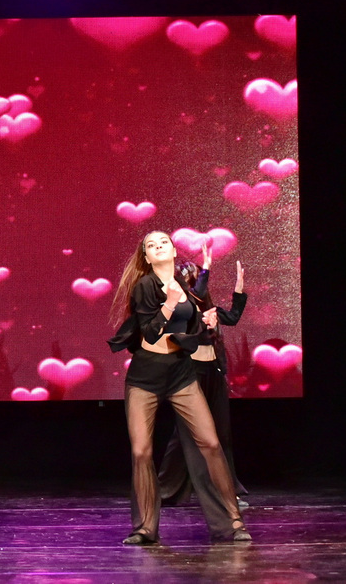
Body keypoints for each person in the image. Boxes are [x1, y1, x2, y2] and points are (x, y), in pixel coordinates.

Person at [107, 231, 251, 545]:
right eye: (151, 245)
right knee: (141, 451)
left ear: (173, 251)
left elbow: (189, 329)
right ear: (147, 258)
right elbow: (151, 332)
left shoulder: (183, 286)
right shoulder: (145, 286)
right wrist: (170, 303)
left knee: (210, 443)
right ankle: (145, 528)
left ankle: (231, 523)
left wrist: (206, 324)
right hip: (146, 378)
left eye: (163, 242)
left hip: (181, 374)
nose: (158, 246)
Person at [157, 249, 250, 507]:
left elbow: (232, 317)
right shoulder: (180, 310)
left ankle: (227, 490)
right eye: (191, 278)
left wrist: (239, 291)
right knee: (185, 434)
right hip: (191, 376)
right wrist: (206, 268)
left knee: (221, 433)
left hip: (213, 374)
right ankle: (163, 491)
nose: (195, 282)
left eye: (197, 277)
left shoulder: (209, 310)